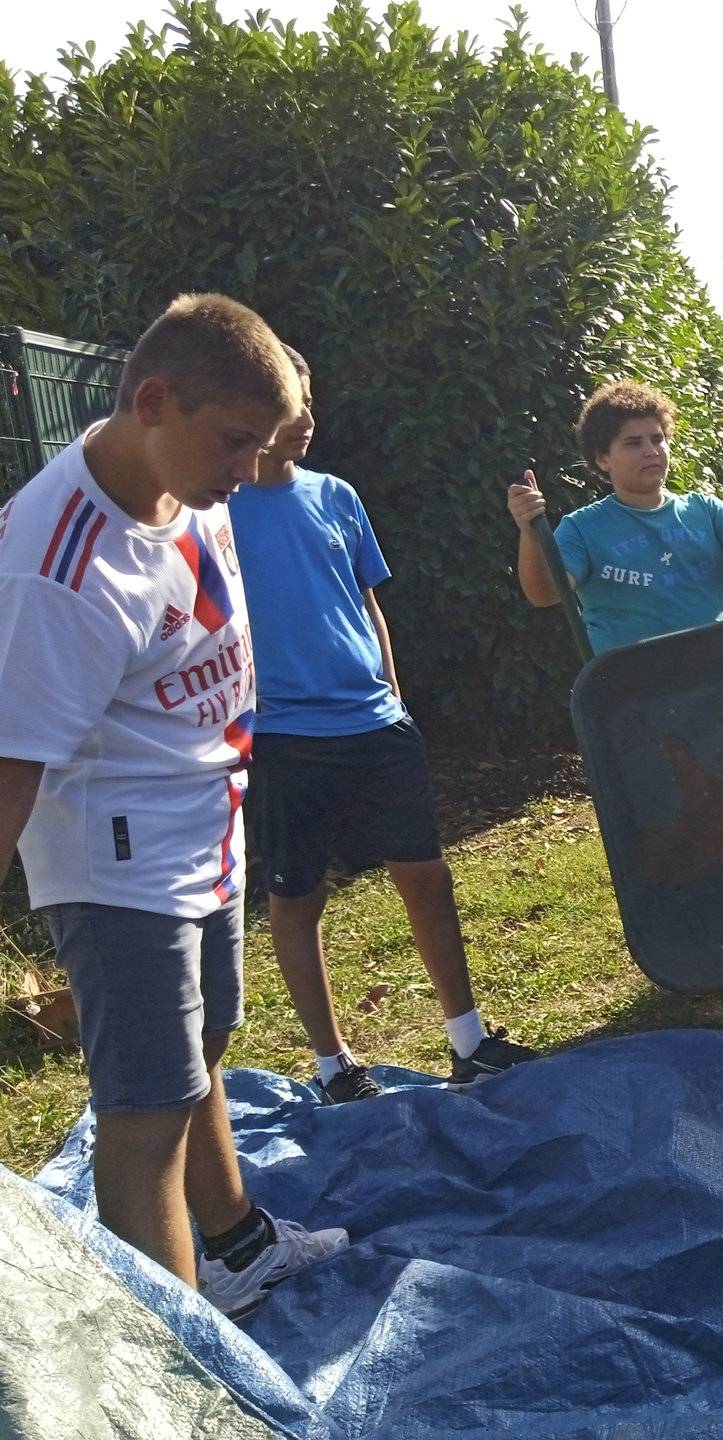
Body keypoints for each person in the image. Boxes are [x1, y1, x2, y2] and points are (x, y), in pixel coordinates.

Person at [0, 294, 346, 1315]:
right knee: (145, 1114)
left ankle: (233, 1245)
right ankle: (174, 1370)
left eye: (262, 445)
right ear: (152, 402)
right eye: (236, 441)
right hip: (121, 866)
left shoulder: (189, 478)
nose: (249, 469)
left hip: (206, 825)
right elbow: (10, 766)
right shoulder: (56, 567)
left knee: (202, 1050)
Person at [228, 347, 536, 1104]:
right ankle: (334, 1068)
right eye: (290, 404)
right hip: (284, 737)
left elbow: (366, 601)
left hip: (374, 723)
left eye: (309, 401)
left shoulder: (337, 495)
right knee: (297, 897)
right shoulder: (215, 509)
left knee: (426, 875)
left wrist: (393, 700)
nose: (305, 418)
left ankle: (469, 1042)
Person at [507, 380, 723, 652]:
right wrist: (529, 531)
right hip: (634, 677)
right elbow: (545, 594)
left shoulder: (704, 509)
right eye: (633, 443)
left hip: (721, 667)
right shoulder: (581, 528)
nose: (651, 451)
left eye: (657, 439)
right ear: (603, 459)